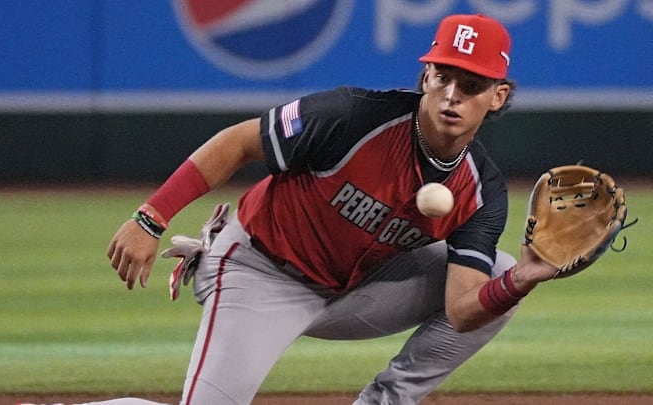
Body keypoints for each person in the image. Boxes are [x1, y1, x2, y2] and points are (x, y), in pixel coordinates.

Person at [105, 13, 559, 405]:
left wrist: (522, 279)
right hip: (260, 272)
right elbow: (239, 143)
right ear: (426, 78)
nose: (452, 94)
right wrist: (151, 217)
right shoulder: (352, 117)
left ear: (497, 96)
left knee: (500, 272)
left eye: (472, 84)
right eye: (443, 76)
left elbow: (461, 311)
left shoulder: (482, 191)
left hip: (358, 288)